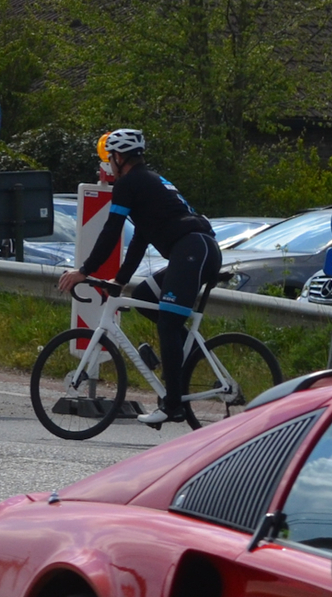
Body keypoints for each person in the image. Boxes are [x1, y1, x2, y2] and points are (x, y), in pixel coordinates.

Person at [58, 129, 220, 428]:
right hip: (195, 250)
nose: (107, 166)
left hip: (193, 251)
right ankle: (188, 357)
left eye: (109, 160)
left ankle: (172, 405)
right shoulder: (147, 183)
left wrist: (85, 270)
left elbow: (111, 231)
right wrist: (119, 281)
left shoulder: (130, 183)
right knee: (146, 298)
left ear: (120, 157)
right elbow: (139, 242)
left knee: (169, 323)